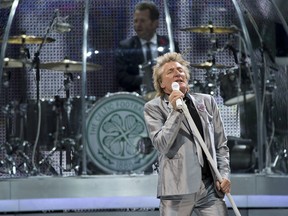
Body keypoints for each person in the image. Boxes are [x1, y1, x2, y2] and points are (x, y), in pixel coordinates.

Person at [143, 52, 231, 216]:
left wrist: (224, 175)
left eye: (180, 70)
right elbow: (162, 144)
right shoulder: (153, 107)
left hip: (210, 187)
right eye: (170, 72)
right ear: (162, 84)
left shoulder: (206, 101)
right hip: (176, 190)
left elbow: (220, 145)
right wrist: (175, 111)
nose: (177, 73)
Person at [115, 1, 180, 96]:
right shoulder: (126, 46)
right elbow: (121, 77)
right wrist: (145, 81)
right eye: (136, 21)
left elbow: (179, 71)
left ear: (155, 23)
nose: (138, 25)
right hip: (137, 97)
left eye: (142, 21)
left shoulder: (169, 44)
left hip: (167, 96)